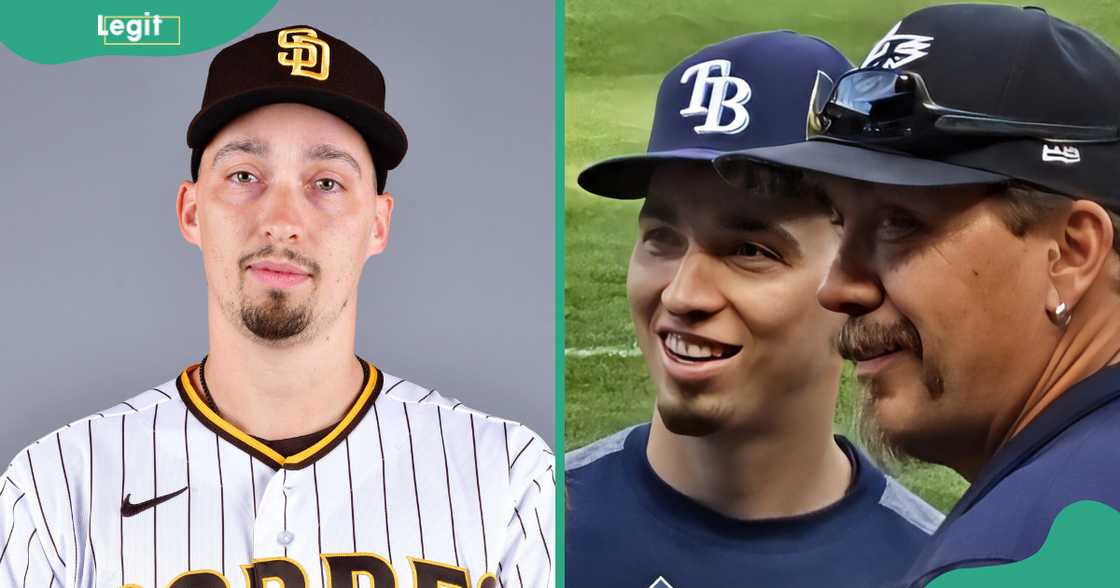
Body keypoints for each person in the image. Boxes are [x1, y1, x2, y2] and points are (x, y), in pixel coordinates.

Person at [0, 25, 553, 588]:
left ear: (378, 224)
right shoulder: (55, 487)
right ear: (191, 211)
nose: (283, 220)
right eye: (245, 176)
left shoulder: (509, 477)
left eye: (328, 183)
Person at [715, 5, 1120, 586]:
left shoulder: (1014, 564)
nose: (837, 287)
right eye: (839, 222)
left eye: (900, 223)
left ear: (1072, 254)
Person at [566, 31, 941, 588]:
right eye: (662, 238)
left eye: (750, 251)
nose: (682, 295)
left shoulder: (933, 571)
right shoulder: (527, 523)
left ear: (860, 275)